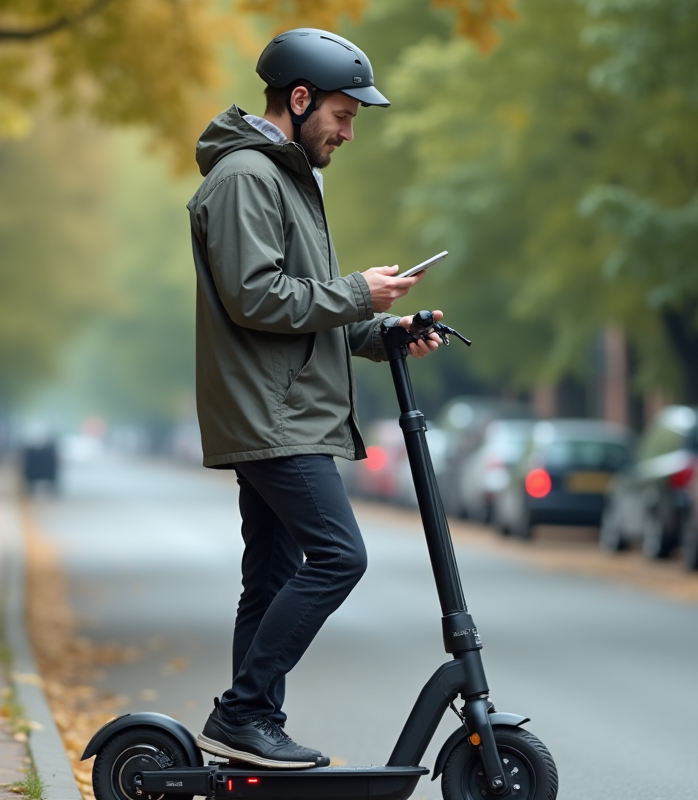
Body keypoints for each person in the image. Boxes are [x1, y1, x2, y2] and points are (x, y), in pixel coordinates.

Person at [186, 28, 443, 770]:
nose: (349, 131)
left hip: (283, 406)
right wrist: (358, 290)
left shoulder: (286, 177)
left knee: (269, 575)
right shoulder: (246, 178)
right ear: (299, 100)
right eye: (343, 114)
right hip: (274, 414)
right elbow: (255, 298)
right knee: (339, 555)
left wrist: (384, 329)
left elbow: (307, 308)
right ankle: (242, 713)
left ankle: (249, 727)